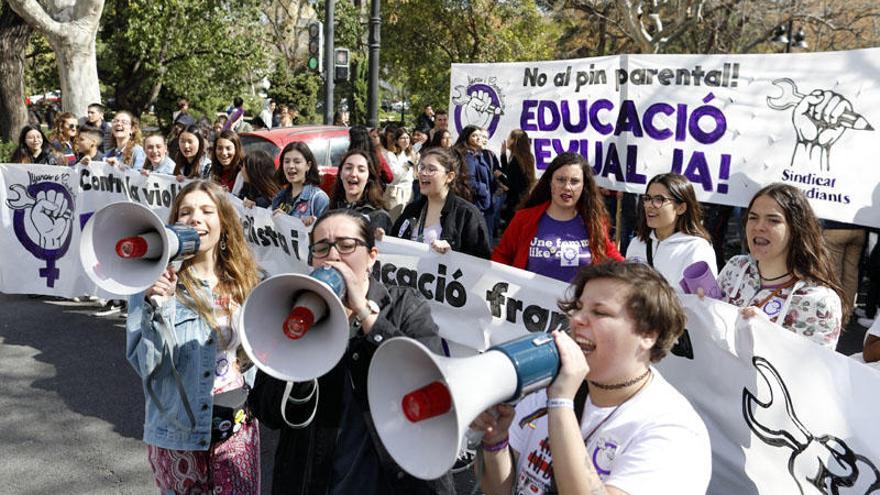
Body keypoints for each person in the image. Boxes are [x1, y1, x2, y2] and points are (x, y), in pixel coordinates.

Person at [248, 209, 455, 495]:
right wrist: (296, 365)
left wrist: (367, 318)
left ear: (372, 256)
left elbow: (430, 383)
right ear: (311, 259)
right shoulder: (293, 308)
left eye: (346, 246)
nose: (333, 256)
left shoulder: (405, 307)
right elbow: (265, 410)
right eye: (321, 247)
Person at [473, 262, 712, 495]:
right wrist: (496, 441)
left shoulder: (675, 432)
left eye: (599, 312)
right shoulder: (547, 388)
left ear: (648, 334)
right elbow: (498, 489)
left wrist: (561, 404)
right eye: (578, 307)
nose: (577, 319)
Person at [126, 179, 261, 494]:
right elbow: (147, 366)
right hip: (178, 433)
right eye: (185, 212)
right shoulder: (151, 280)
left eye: (206, 210)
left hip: (237, 425)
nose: (195, 218)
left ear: (223, 223)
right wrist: (157, 307)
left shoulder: (245, 280)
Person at [717, 183, 846, 349]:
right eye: (753, 217)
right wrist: (701, 304)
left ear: (796, 229)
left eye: (773, 220)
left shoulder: (818, 301)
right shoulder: (735, 267)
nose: (758, 227)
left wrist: (769, 335)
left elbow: (815, 370)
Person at [493, 152, 623, 283]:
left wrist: (633, 274)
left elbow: (610, 254)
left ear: (584, 186)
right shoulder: (524, 219)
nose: (567, 187)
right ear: (550, 182)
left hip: (578, 303)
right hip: (531, 302)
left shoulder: (594, 221)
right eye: (561, 180)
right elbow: (501, 256)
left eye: (575, 181)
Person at [392, 147, 490, 258]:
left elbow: (480, 262)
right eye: (421, 167)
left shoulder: (467, 214)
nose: (423, 173)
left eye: (431, 169)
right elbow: (394, 243)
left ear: (449, 177)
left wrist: (452, 254)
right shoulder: (412, 210)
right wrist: (381, 239)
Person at [625, 173, 716, 289]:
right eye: (647, 199)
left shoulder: (697, 249)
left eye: (659, 199)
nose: (649, 205)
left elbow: (705, 302)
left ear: (681, 208)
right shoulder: (636, 243)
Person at [330, 149, 393, 234]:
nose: (353, 174)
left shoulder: (378, 216)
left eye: (361, 170)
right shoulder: (330, 209)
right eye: (348, 168)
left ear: (368, 178)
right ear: (341, 174)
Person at [270, 141, 329, 225]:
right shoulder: (279, 197)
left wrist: (287, 221)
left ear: (308, 165)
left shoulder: (319, 199)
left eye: (297, 162)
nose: (291, 166)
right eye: (286, 161)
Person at [497, 129, 536, 232]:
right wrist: (503, 155)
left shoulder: (516, 160)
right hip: (523, 199)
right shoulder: (527, 157)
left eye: (509, 137)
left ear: (514, 140)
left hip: (515, 203)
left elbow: (511, 183)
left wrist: (500, 176)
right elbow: (511, 174)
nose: (507, 140)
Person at [382, 127, 417, 220]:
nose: (406, 140)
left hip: (409, 192)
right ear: (396, 141)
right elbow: (395, 176)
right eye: (402, 138)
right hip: (395, 193)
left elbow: (414, 176)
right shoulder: (391, 155)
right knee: (394, 220)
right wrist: (409, 164)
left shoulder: (410, 154)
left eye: (407, 138)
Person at [209, 129, 245, 194]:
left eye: (228, 148)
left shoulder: (244, 174)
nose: (224, 153)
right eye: (220, 148)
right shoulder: (211, 171)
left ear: (237, 149)